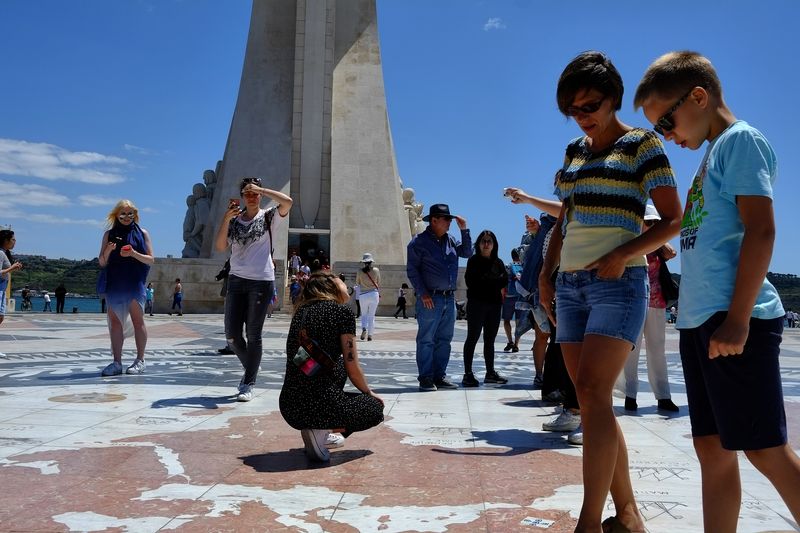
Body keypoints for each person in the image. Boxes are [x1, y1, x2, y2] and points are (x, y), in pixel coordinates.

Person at [508, 51, 682, 533]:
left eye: (591, 105)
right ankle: (627, 515)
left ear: (614, 98)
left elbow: (673, 219)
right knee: (592, 402)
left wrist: (621, 254)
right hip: (569, 286)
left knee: (592, 392)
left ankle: (588, 522)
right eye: (573, 108)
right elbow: (566, 218)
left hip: (616, 284)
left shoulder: (642, 144)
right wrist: (546, 273)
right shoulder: (575, 152)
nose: (583, 114)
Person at [636, 50, 800, 532]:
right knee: (711, 446)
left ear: (699, 96)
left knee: (764, 448)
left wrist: (739, 318)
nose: (667, 135)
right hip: (699, 321)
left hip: (733, 319)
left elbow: (762, 232)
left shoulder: (740, 142)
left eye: (666, 121)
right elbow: (690, 230)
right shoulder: (710, 157)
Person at [279, 271, 384, 461]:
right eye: (341, 282)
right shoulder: (342, 312)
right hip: (319, 408)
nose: (347, 286)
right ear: (331, 286)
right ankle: (321, 432)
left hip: (290, 406)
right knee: (374, 408)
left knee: (335, 367)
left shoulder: (300, 312)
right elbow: (352, 364)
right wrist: (369, 393)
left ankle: (317, 430)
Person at [214, 177, 292, 402]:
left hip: (261, 281)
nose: (251, 196)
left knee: (253, 334)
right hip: (237, 281)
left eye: (254, 192)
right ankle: (252, 370)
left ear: (260, 195)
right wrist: (225, 219)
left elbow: (288, 202)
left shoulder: (269, 216)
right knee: (232, 337)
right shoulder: (235, 220)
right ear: (241, 196)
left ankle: (248, 382)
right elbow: (220, 246)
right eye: (247, 192)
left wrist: (264, 189)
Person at [406, 203, 472, 391]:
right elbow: (412, 271)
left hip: (448, 298)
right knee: (426, 339)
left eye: (450, 219)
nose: (449, 222)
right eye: (446, 219)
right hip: (430, 298)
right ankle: (426, 378)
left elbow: (467, 253)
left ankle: (439, 376)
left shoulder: (451, 240)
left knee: (444, 339)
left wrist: (464, 230)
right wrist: (423, 293)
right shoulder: (418, 243)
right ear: (434, 220)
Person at [621, 205, 680, 413]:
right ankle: (630, 394)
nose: (652, 225)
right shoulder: (631, 242)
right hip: (635, 301)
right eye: (649, 221)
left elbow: (672, 252)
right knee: (632, 350)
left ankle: (663, 396)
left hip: (656, 303)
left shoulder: (657, 246)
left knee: (658, 350)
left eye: (655, 222)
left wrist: (658, 234)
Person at [98, 200, 155, 376]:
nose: (127, 217)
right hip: (115, 282)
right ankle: (117, 362)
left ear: (135, 215)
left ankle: (140, 360)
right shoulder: (109, 234)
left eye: (130, 213)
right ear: (116, 215)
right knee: (115, 323)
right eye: (123, 213)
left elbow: (151, 259)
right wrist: (108, 251)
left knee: (138, 321)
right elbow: (101, 261)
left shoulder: (143, 233)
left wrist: (133, 254)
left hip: (134, 282)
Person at [461, 230, 508, 387]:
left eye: (489, 241)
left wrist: (490, 282)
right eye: (483, 241)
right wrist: (494, 282)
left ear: (494, 245)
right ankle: (468, 374)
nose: (486, 244)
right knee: (472, 338)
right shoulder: (473, 261)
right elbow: (472, 282)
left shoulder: (498, 262)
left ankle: (490, 373)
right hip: (477, 305)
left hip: (494, 305)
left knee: (490, 340)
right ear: (479, 244)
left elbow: (504, 280)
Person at [1, 230, 23, 357]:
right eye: (13, 239)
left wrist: (12, 268)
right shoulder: (0, 253)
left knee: (1, 317)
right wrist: (12, 268)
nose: (15, 241)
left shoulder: (4, 253)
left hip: (2, 289)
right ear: (6, 240)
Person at [355, 253, 380, 341]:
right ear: (371, 262)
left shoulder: (359, 271)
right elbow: (378, 282)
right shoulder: (376, 270)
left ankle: (364, 329)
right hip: (374, 294)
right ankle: (370, 335)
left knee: (364, 314)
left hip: (363, 294)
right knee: (371, 316)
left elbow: (357, 283)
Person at [501, 249, 523, 352]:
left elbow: (503, 283)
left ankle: (510, 341)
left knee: (506, 320)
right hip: (520, 297)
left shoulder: (508, 267)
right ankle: (516, 344)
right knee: (519, 322)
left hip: (509, 298)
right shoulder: (524, 267)